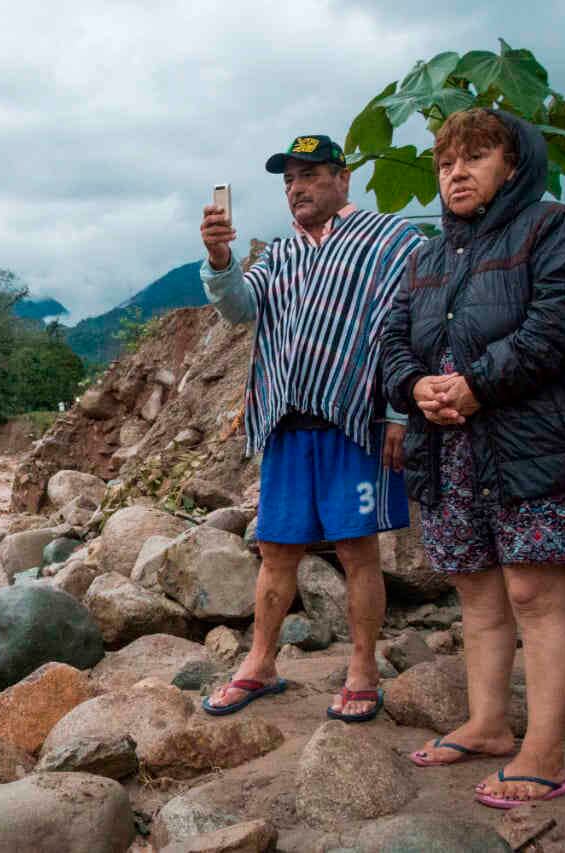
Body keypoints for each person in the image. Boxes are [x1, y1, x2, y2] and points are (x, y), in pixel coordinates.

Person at [381, 109, 565, 808]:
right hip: (449, 448)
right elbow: (392, 340)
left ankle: (543, 750)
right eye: (447, 161)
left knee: (534, 593)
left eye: (475, 157)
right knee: (476, 592)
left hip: (530, 444)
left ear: (513, 166)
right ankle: (487, 723)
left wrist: (478, 385)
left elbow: (564, 320)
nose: (456, 171)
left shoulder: (552, 227)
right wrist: (415, 385)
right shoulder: (425, 257)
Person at [199, 134, 423, 721]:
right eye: (288, 181)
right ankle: (260, 663)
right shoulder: (280, 254)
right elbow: (239, 310)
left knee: (356, 549)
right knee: (276, 548)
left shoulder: (390, 240)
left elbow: (414, 326)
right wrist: (221, 263)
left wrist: (401, 413)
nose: (297, 189)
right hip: (286, 420)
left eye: (310, 176)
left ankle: (362, 671)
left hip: (358, 421)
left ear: (342, 179)